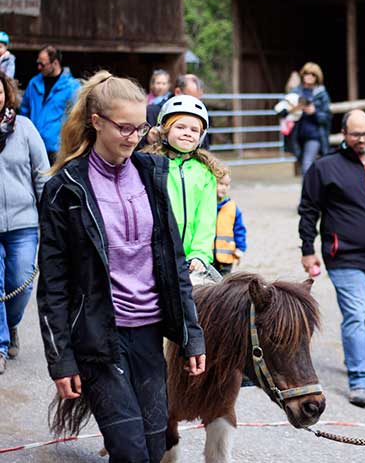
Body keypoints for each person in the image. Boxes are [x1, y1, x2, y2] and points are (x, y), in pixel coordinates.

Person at [37, 71, 206, 462]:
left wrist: (191, 335)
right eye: (124, 127)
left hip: (148, 334)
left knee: (154, 446)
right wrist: (60, 359)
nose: (134, 136)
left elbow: (174, 261)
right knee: (130, 453)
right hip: (99, 339)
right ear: (96, 122)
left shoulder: (152, 175)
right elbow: (54, 284)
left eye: (141, 127)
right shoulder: (65, 188)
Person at [298, 109, 365, 408]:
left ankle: (355, 354)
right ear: (344, 135)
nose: (362, 139)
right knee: (355, 315)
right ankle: (360, 378)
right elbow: (309, 210)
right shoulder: (325, 168)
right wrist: (308, 250)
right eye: (356, 134)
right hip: (344, 256)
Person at [0, 71, 49, 374]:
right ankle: (1, 344)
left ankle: (12, 323)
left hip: (23, 223)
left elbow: (42, 174)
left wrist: (51, 217)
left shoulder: (25, 128)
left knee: (19, 283)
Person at [143, 94, 222, 273]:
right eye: (180, 127)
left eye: (194, 130)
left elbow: (206, 220)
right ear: (164, 130)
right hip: (153, 260)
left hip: (190, 263)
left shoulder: (205, 173)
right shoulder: (150, 165)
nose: (187, 133)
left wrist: (200, 254)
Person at [19, 46, 80, 164]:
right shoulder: (33, 83)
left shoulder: (73, 87)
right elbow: (24, 110)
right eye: (38, 63)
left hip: (56, 150)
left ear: (55, 63)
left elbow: (75, 120)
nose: (39, 67)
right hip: (32, 146)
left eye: (42, 64)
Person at [282, 62, 331, 176]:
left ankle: (307, 193)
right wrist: (293, 109)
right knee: (303, 165)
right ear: (303, 75)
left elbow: (327, 117)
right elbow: (282, 111)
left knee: (306, 165)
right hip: (296, 136)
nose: (309, 77)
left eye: (313, 75)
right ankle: (312, 190)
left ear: (317, 77)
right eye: (307, 74)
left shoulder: (322, 94)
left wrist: (314, 112)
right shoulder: (294, 93)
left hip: (314, 136)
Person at [143, 73, 210, 149]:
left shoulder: (200, 113)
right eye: (180, 127)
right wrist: (147, 139)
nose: (195, 105)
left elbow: (204, 149)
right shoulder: (152, 112)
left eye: (199, 100)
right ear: (178, 92)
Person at [213, 167, 247, 276]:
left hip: (226, 257)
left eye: (227, 185)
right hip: (208, 256)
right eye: (221, 184)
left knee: (223, 285)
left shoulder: (232, 207)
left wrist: (240, 248)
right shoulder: (205, 205)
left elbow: (239, 229)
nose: (224, 188)